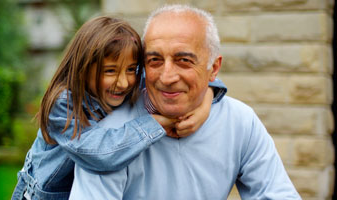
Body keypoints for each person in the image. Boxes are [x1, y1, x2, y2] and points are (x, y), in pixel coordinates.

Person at [69, 4, 302, 200]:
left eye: (183, 60)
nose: (167, 77)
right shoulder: (108, 137)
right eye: (155, 60)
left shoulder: (240, 122)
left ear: (214, 68)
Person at [11, 16, 223, 200]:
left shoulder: (130, 79)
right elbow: (100, 153)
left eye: (131, 69)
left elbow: (200, 78)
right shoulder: (63, 104)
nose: (123, 82)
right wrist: (155, 123)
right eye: (110, 71)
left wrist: (204, 107)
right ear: (84, 68)